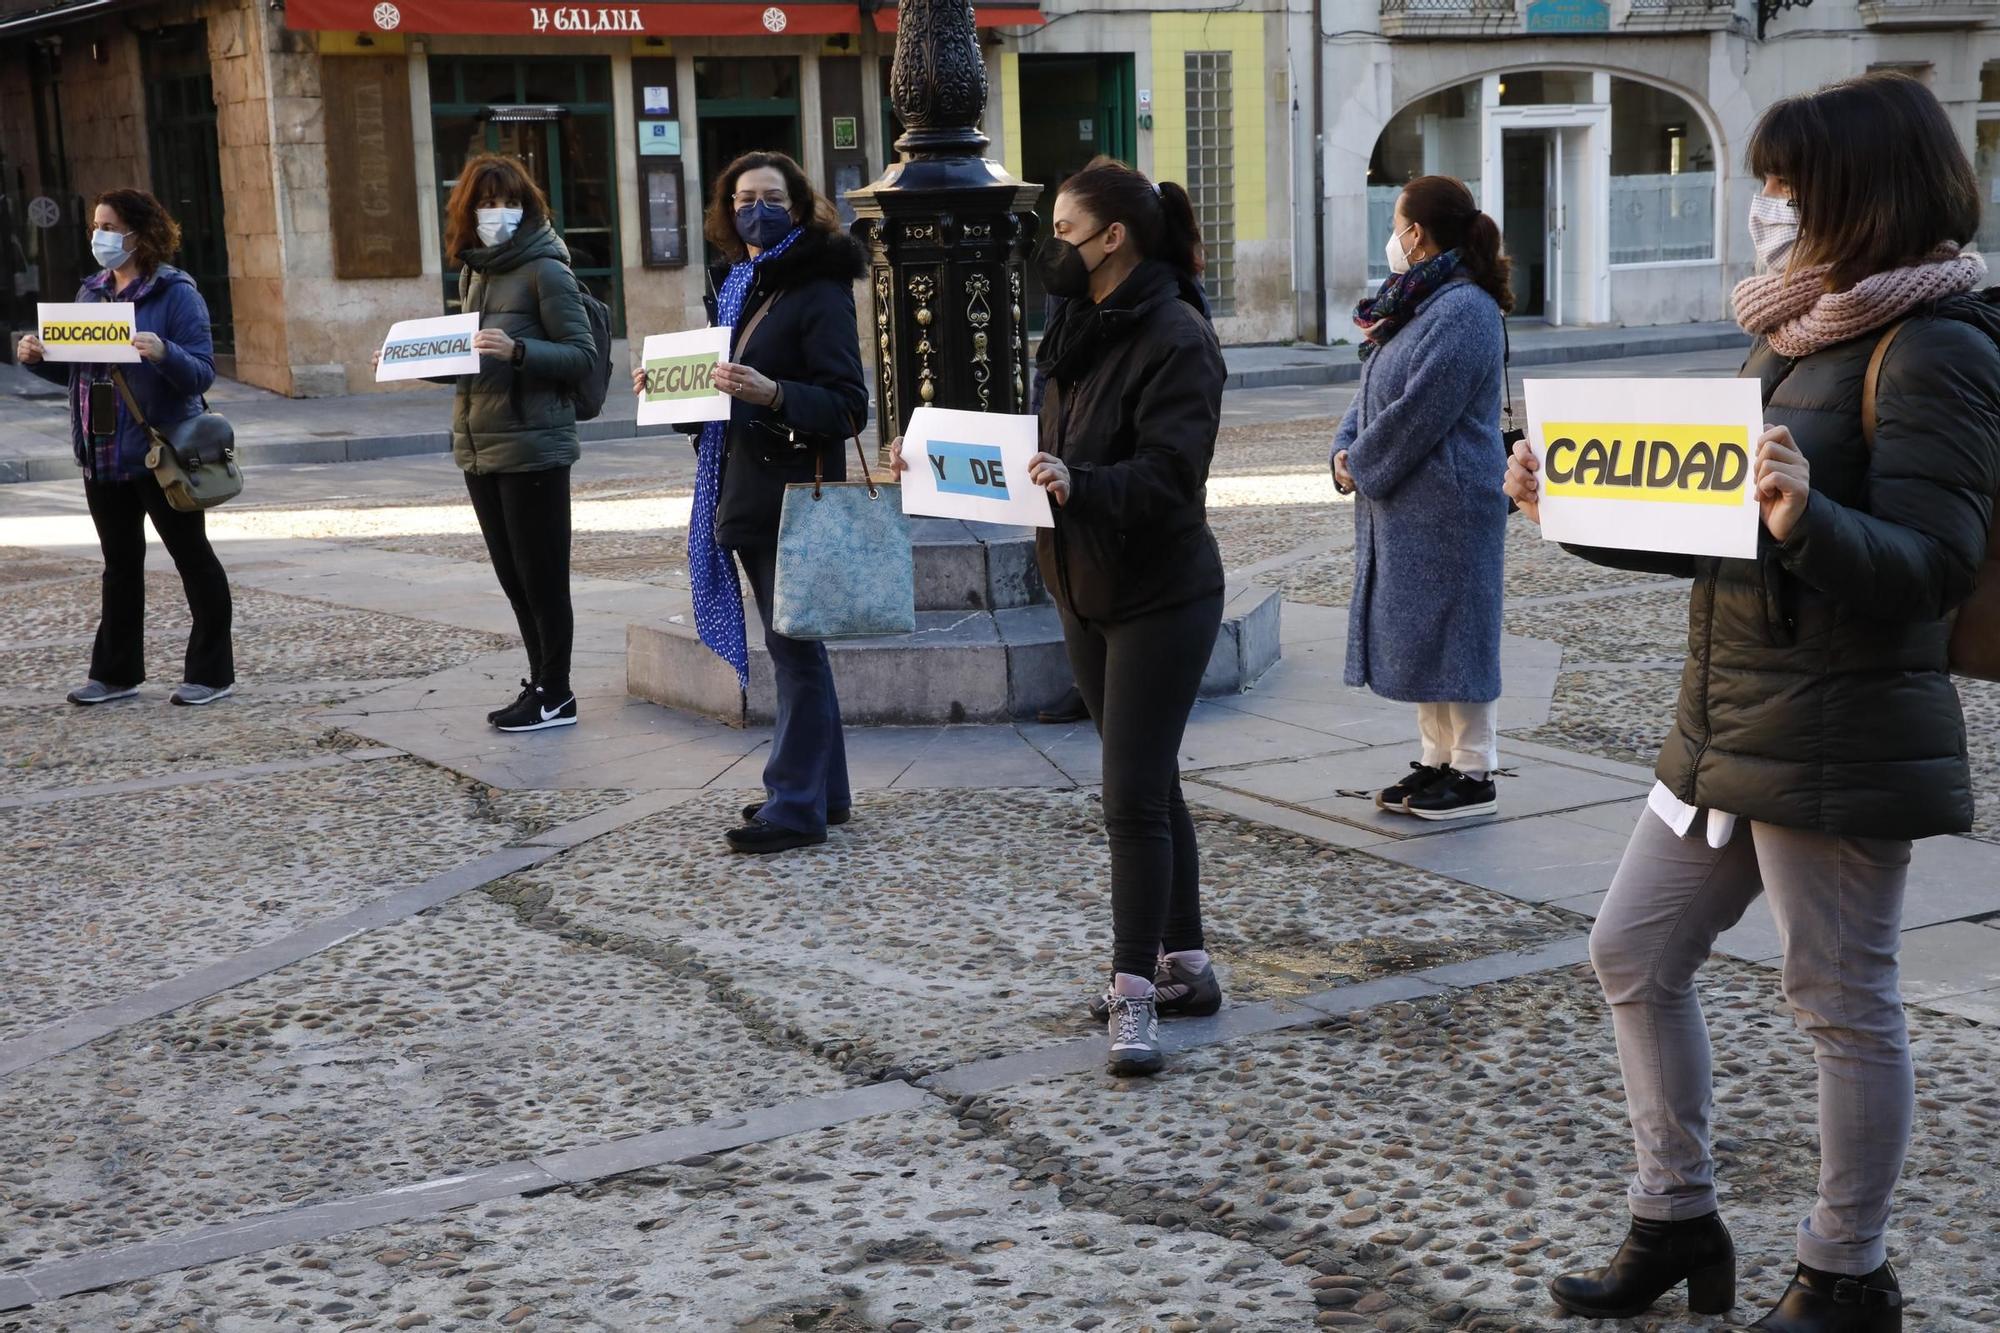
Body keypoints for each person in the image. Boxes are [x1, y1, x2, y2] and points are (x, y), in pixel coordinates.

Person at [1512, 74, 2000, 1332]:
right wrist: (1563, 502)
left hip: (1838, 724)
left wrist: (1804, 515)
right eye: (1765, 184)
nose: (1765, 207)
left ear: (1857, 191)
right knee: (1630, 950)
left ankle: (1846, 1272)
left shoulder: (1936, 345)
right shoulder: (1791, 329)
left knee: (1838, 998)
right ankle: (1674, 1217)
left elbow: (1932, 570)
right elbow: (1706, 525)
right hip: (1724, 713)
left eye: (1785, 185)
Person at [900, 157, 1226, 1076]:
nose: (1055, 248)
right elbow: (1032, 445)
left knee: (1130, 797)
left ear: (1112, 238)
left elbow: (1172, 476)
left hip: (1163, 592)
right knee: (1151, 783)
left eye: (1067, 231)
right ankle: (1188, 964)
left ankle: (1134, 993)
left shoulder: (1177, 334)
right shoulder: (1077, 324)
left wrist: (1083, 483)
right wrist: (925, 454)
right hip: (1081, 584)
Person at [635, 151, 868, 854]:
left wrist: (774, 393)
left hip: (791, 493)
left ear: (797, 207)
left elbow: (849, 404)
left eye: (770, 196)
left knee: (793, 649)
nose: (754, 208)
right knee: (797, 647)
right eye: (742, 198)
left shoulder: (816, 288)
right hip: (745, 485)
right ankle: (824, 792)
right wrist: (672, 393)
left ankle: (794, 805)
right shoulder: (739, 283)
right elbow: (719, 402)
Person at [382, 154, 595, 733]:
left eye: (508, 203)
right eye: (485, 203)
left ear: (527, 208)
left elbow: (582, 356)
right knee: (514, 577)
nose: (496, 214)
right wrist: (411, 362)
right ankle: (542, 685)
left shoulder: (545, 271)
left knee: (543, 577)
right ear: (465, 210)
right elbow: (470, 361)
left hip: (534, 446)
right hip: (481, 447)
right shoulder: (475, 271)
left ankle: (558, 692)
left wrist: (519, 350)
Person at [1330, 175, 1512, 821]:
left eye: (1398, 221)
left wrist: (1363, 462)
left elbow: (1421, 408)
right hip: (1410, 503)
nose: (1393, 235)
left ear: (1415, 232)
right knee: (1426, 638)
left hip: (1450, 506)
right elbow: (1371, 387)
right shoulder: (1412, 303)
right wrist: (1343, 453)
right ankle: (1436, 760)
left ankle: (1474, 772)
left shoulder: (1463, 308)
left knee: (1457, 638)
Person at [17, 188, 231, 707]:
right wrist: (38, 357)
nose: (99, 237)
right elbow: (78, 366)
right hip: (102, 452)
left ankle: (211, 673)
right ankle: (114, 675)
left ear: (138, 233)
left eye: (108, 227)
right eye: (96, 226)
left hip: (159, 454)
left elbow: (201, 371)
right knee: (119, 564)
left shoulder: (176, 293)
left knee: (191, 558)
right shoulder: (91, 293)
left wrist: (164, 352)